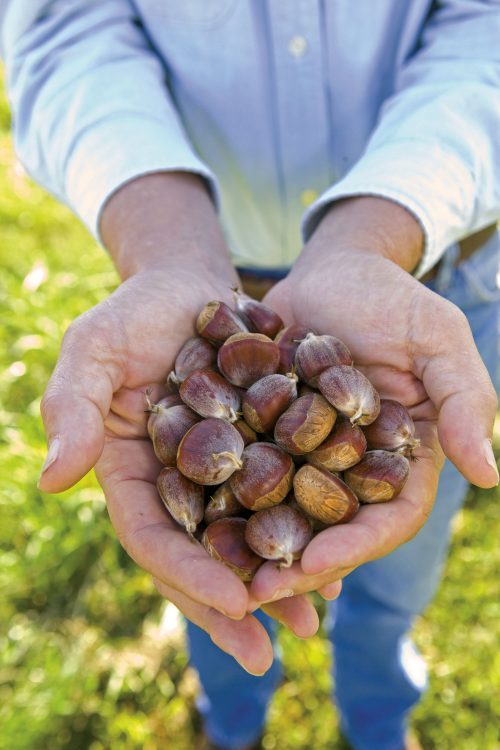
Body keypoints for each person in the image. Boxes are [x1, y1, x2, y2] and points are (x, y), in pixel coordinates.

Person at [1, 2, 499, 748]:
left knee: (397, 578)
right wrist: (166, 246)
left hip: (427, 267)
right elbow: (64, 23)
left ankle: (378, 714)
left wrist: (371, 232)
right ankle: (232, 723)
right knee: (221, 589)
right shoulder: (258, 412)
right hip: (201, 253)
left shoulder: (325, 404)